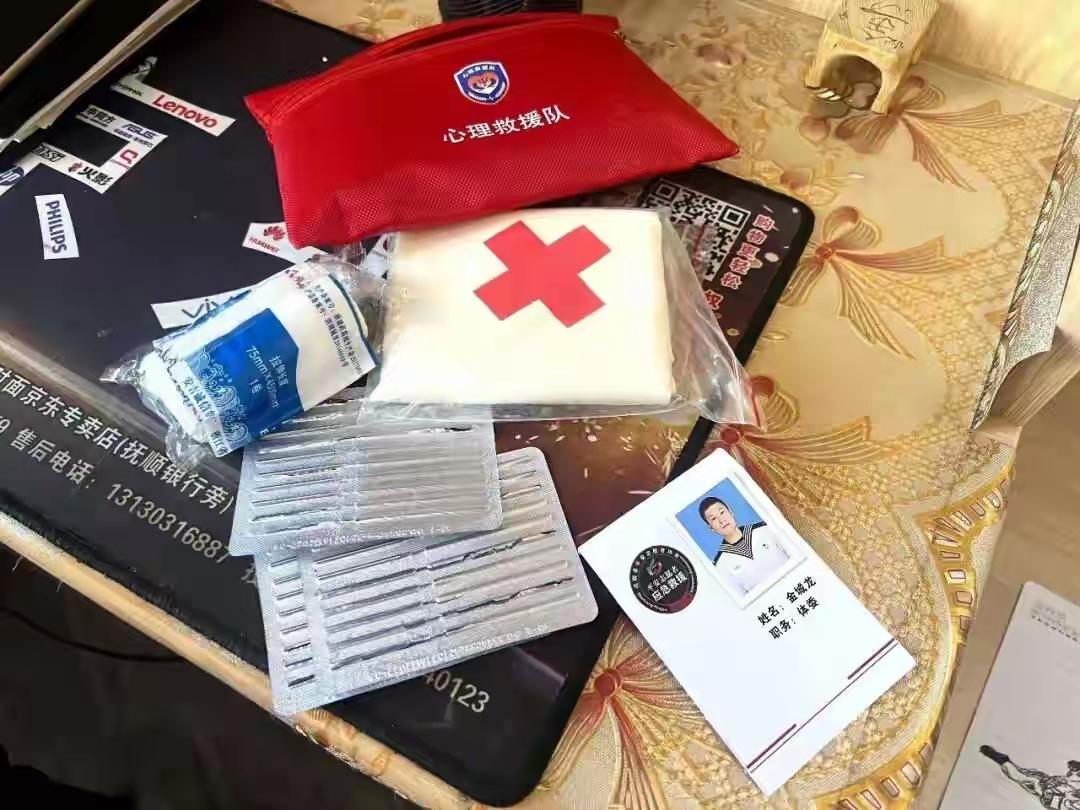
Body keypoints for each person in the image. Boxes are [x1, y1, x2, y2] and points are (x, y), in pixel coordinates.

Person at [698, 497, 790, 597]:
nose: (721, 520)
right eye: (713, 519)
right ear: (710, 527)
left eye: (722, 512)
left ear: (731, 512)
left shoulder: (766, 529)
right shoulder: (721, 565)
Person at [980, 745, 1080, 809]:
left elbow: (1056, 802)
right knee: (1023, 773)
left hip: (1043, 788)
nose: (1070, 772)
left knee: (1018, 775)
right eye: (1072, 770)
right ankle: (1001, 759)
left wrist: (1051, 792)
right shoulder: (1072, 782)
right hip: (1048, 783)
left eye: (1074, 770)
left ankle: (1000, 759)